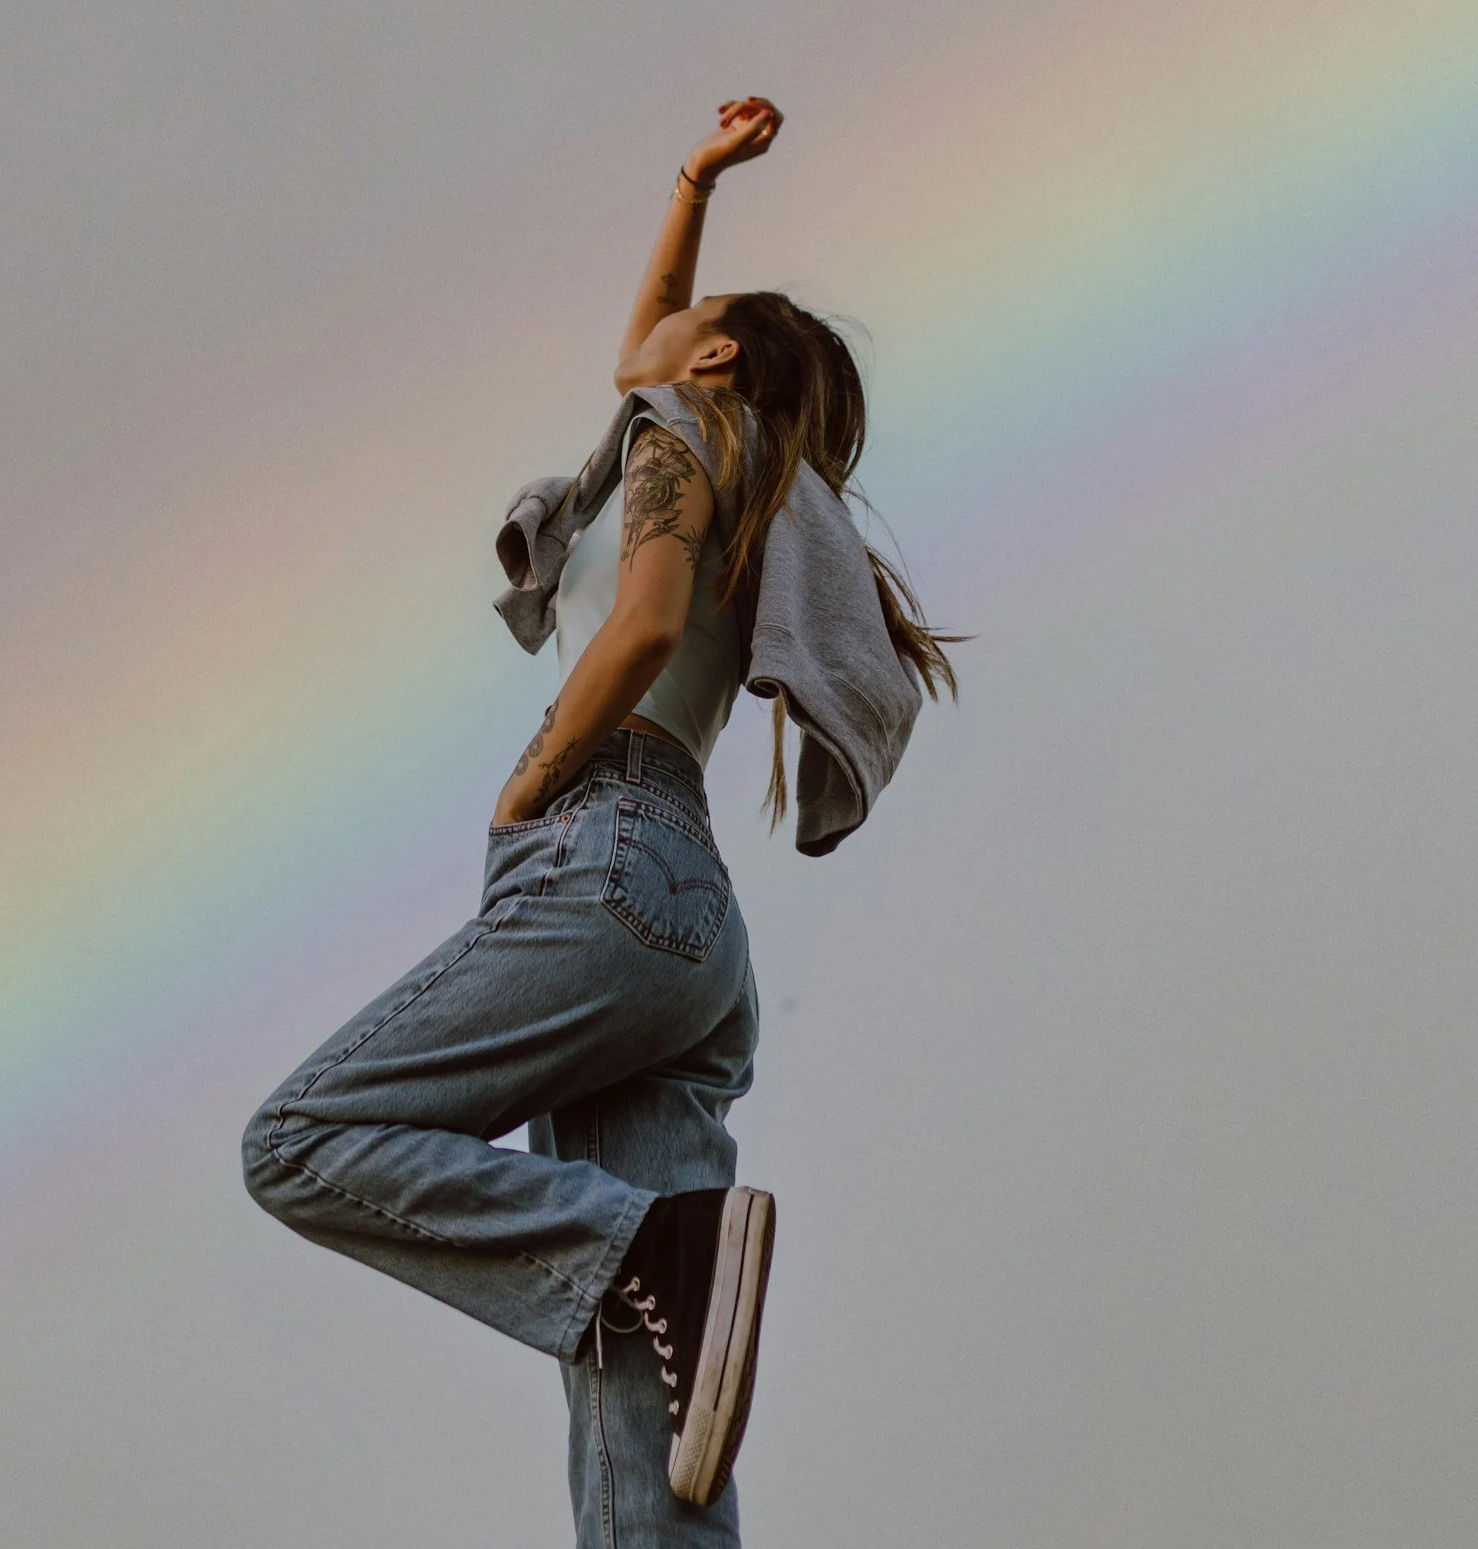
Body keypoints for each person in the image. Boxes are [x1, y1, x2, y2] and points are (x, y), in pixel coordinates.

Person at [243, 99, 957, 1546]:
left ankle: (653, 1246)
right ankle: (656, 1268)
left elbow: (634, 629)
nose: (654, 330)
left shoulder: (678, 436)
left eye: (688, 319)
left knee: (305, 1138)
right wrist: (692, 185)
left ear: (709, 362)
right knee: (653, 1387)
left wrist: (528, 777)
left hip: (605, 858)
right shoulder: (707, 440)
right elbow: (643, 344)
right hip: (693, 944)